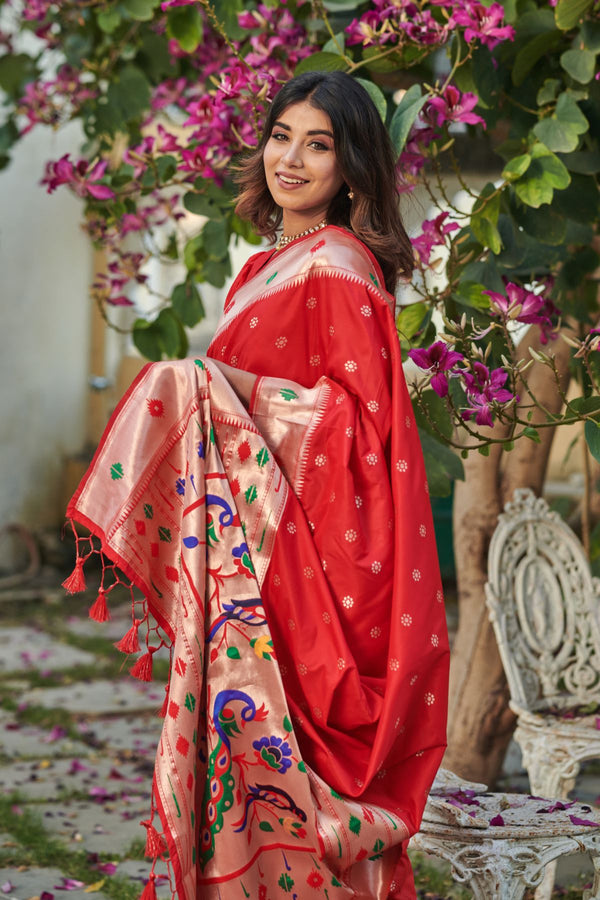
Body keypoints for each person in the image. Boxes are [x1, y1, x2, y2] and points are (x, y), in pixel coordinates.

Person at [64, 71, 449, 900]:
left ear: (351, 168)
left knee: (287, 778)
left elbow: (358, 436)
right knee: (249, 767)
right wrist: (215, 393)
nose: (293, 159)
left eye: (320, 144)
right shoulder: (265, 268)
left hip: (315, 563)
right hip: (262, 550)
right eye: (282, 136)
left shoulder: (340, 266)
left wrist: (218, 394)